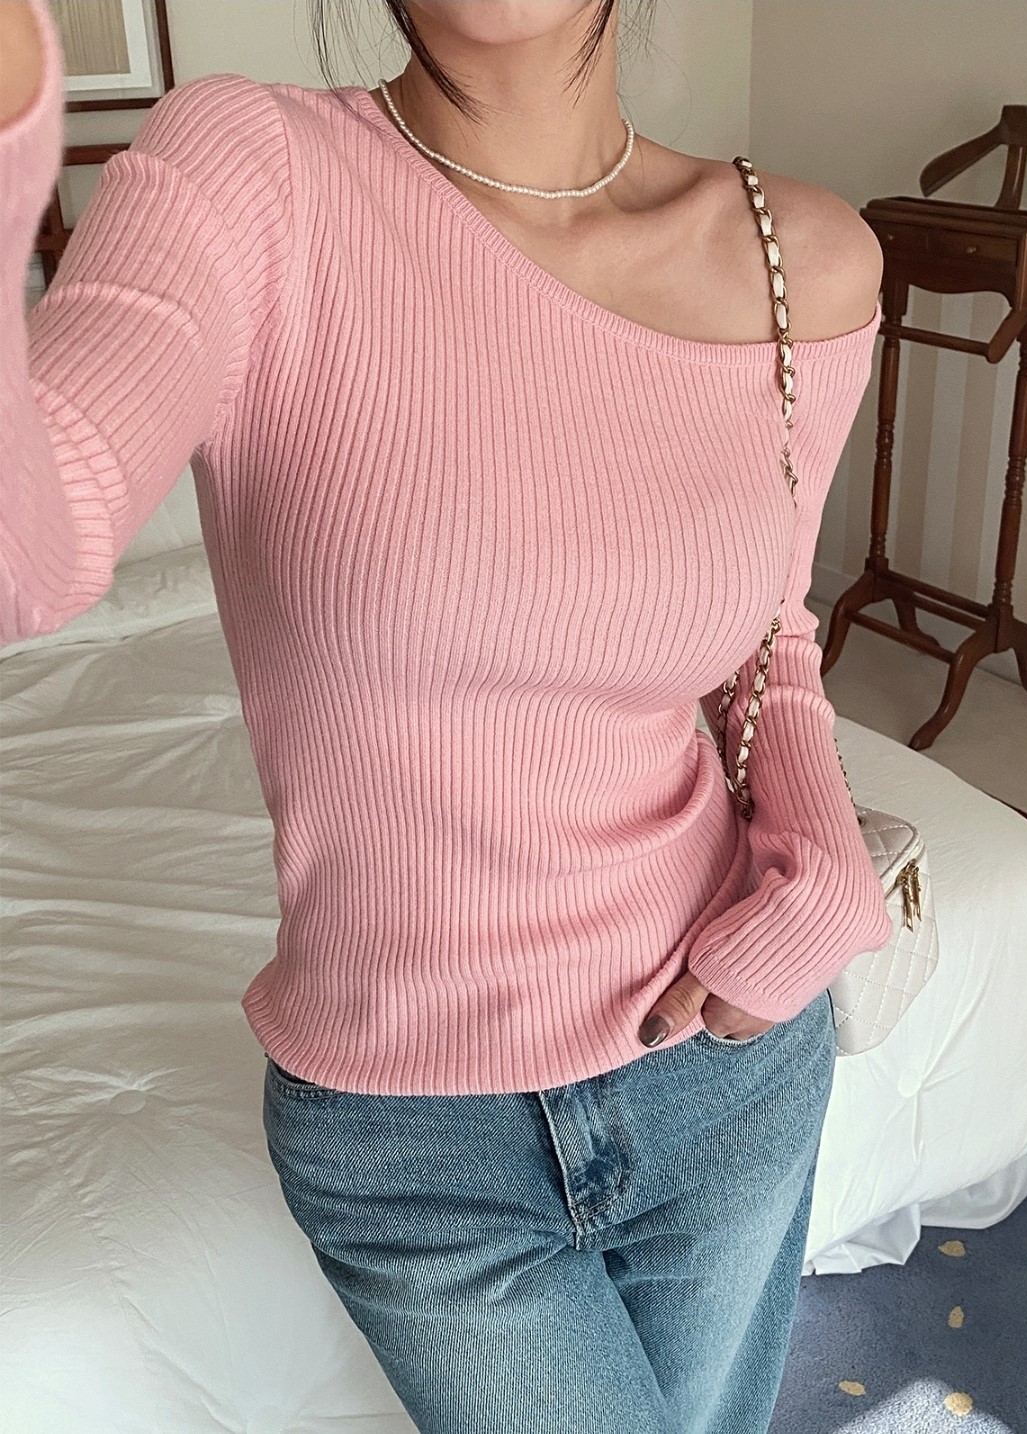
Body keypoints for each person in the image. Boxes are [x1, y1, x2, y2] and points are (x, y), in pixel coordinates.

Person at [1, 1, 893, 1429]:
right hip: (413, 1136)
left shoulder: (806, 259)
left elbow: (766, 619)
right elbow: (28, 555)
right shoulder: (250, 172)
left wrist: (826, 864)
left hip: (724, 1066)